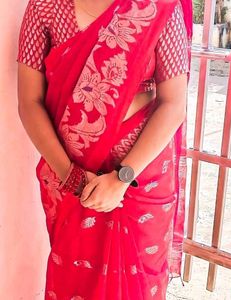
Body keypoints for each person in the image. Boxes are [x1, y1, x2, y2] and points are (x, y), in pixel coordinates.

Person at [17, 0, 192, 298]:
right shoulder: (44, 7)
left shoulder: (159, 7)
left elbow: (173, 103)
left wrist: (122, 178)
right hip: (69, 182)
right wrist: (71, 177)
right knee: (75, 280)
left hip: (139, 184)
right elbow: (29, 102)